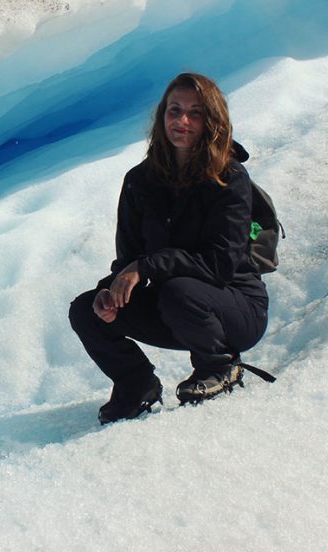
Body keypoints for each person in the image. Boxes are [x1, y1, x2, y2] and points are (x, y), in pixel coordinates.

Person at [68, 73, 269, 424]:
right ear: (162, 116)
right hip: (173, 308)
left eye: (195, 112)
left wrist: (146, 268)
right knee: (86, 309)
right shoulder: (139, 181)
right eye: (174, 110)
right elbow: (129, 260)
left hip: (235, 310)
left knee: (180, 291)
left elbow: (221, 264)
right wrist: (111, 291)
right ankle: (136, 384)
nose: (183, 121)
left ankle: (219, 366)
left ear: (212, 121)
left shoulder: (230, 178)